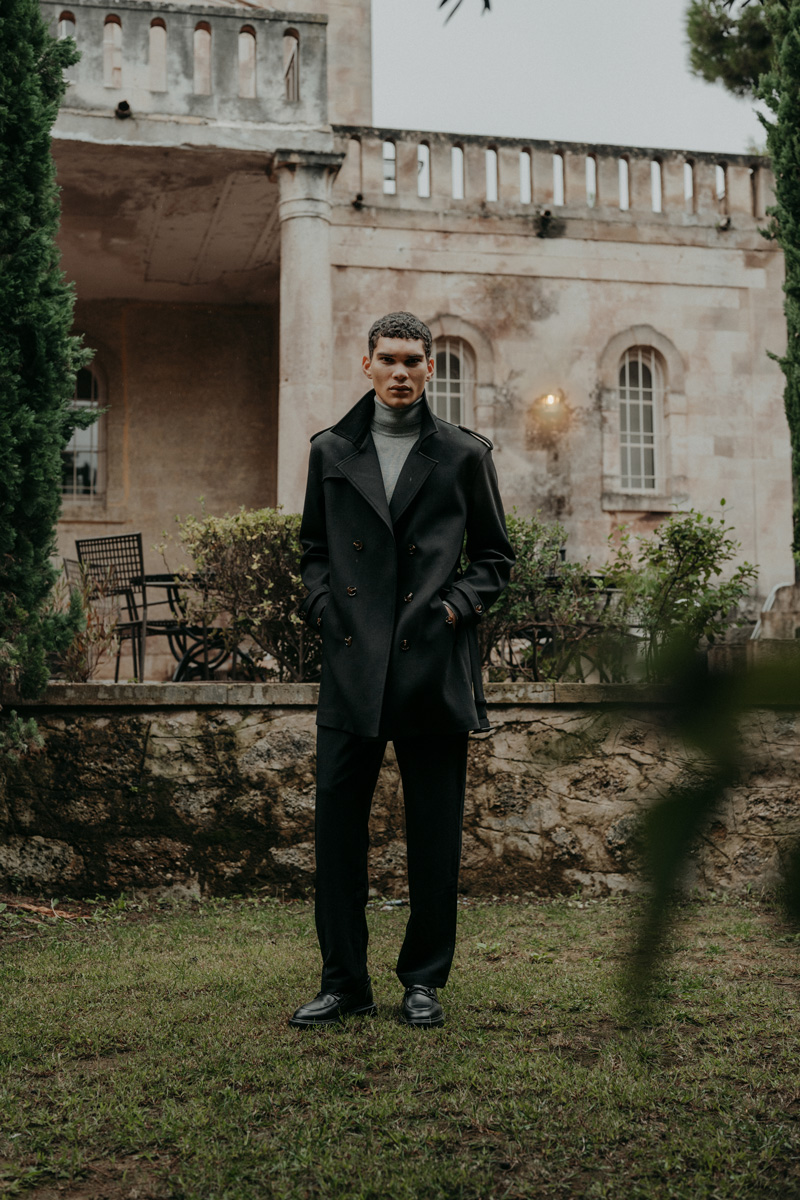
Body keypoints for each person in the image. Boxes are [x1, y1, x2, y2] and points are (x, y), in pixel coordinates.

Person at [289, 311, 514, 1029]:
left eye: (413, 361)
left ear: (430, 369)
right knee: (337, 837)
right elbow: (314, 552)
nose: (400, 372)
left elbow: (495, 558)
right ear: (367, 365)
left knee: (434, 837)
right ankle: (343, 982)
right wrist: (325, 609)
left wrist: (451, 609)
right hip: (352, 665)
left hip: (430, 667)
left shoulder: (462, 454)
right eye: (388, 359)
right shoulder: (330, 451)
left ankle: (423, 980)